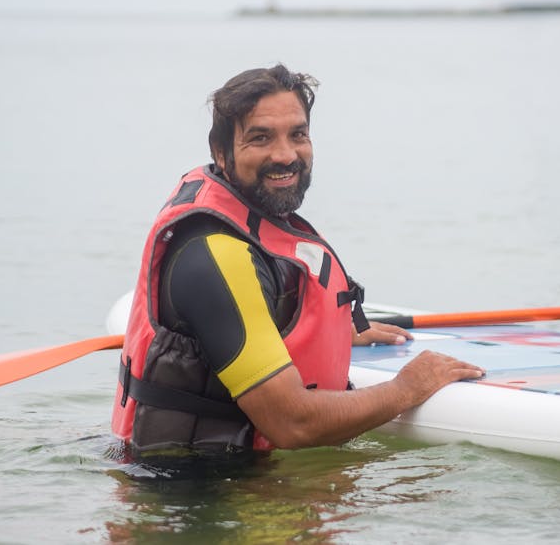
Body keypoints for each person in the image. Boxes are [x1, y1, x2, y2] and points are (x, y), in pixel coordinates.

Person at [111, 64, 484, 457]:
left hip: (241, 483)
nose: (286, 155)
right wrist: (406, 389)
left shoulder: (246, 222)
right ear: (221, 154)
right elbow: (291, 423)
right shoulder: (215, 254)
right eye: (260, 138)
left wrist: (332, 332)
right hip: (198, 500)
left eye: (298, 135)